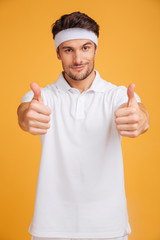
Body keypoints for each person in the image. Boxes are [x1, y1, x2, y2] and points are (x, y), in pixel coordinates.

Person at [17, 11, 149, 240]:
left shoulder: (116, 95)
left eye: (85, 48)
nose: (78, 59)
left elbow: (140, 114)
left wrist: (140, 119)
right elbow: (25, 112)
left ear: (96, 49)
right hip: (50, 228)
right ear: (58, 53)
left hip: (109, 228)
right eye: (69, 50)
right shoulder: (42, 97)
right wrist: (27, 115)